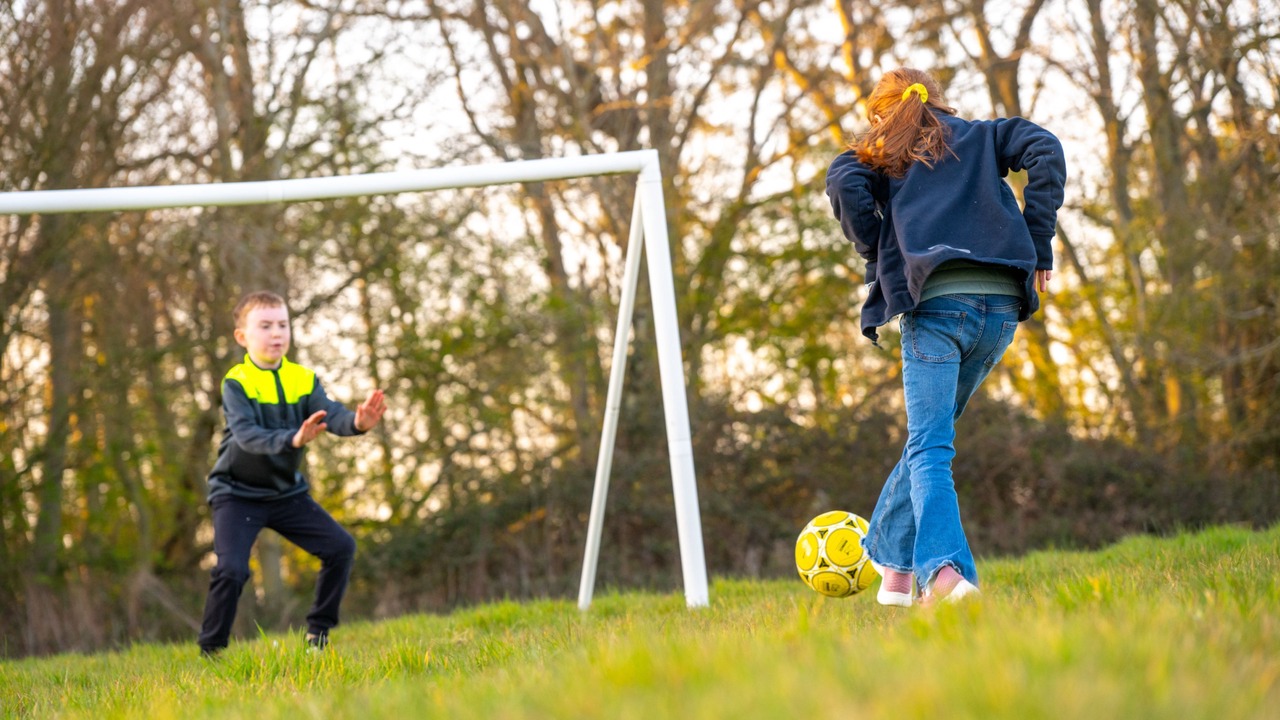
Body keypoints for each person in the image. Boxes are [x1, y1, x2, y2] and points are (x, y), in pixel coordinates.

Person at [825, 69, 1066, 607]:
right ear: (941, 101)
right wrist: (1038, 243)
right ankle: (894, 571)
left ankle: (946, 575)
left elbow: (843, 181)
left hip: (936, 309)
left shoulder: (881, 154)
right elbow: (1045, 147)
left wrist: (877, 248)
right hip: (1000, 311)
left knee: (931, 448)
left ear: (879, 114)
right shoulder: (983, 136)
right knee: (927, 440)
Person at [197, 291, 387, 655]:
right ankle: (212, 649)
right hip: (236, 495)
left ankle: (318, 635)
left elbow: (332, 414)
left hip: (285, 494)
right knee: (232, 570)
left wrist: (358, 423)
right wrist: (294, 438)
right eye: (265, 326)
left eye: (282, 324)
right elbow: (248, 437)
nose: (276, 333)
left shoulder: (304, 378)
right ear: (243, 337)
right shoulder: (236, 383)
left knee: (341, 548)